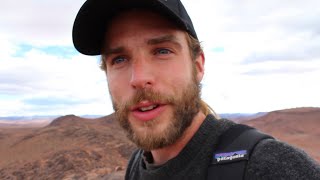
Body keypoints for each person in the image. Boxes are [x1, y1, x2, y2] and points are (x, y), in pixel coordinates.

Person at [72, 0, 320, 179]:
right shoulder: (138, 164)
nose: (139, 78)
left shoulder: (271, 167)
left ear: (198, 65)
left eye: (162, 51)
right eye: (119, 59)